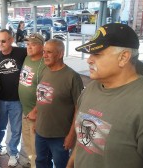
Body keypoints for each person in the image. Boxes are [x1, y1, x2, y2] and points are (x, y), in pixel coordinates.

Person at [71, 23, 143, 168]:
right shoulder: (91, 88)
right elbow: (85, 141)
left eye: (97, 54)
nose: (89, 59)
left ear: (124, 57)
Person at [35, 39, 84, 168]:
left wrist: (71, 135)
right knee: (41, 162)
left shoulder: (72, 77)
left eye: (49, 52)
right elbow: (40, 98)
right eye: (44, 52)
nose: (44, 55)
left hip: (60, 136)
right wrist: (37, 122)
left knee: (61, 165)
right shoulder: (44, 71)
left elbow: (79, 108)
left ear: (60, 54)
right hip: (40, 133)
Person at [0, 29, 27, 167]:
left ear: (11, 40)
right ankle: (0, 147)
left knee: (16, 129)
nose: (0, 44)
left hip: (17, 100)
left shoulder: (22, 52)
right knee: (0, 127)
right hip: (0, 99)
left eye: (3, 41)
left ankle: (14, 152)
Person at [18, 33, 45, 168]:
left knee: (36, 146)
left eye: (33, 44)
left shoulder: (44, 64)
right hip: (25, 110)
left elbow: (47, 92)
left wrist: (36, 111)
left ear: (42, 46)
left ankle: (36, 165)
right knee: (27, 143)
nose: (29, 47)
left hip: (36, 113)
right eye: (28, 44)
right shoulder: (27, 58)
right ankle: (32, 163)